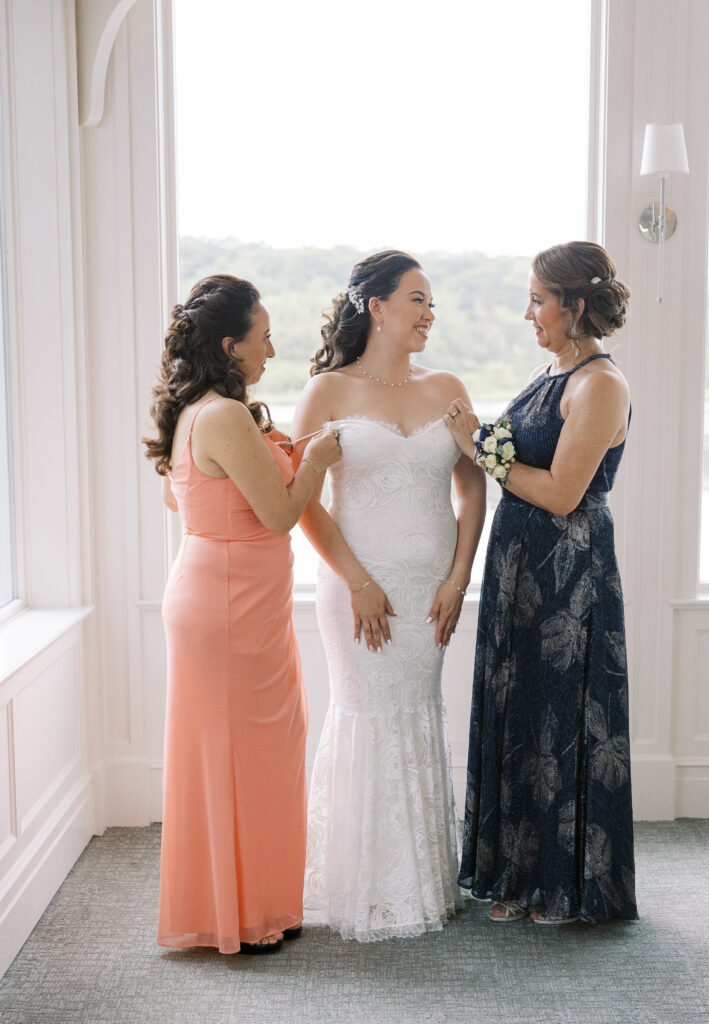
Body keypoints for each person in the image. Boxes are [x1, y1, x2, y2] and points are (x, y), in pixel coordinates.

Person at [291, 250, 486, 941]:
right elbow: (303, 503)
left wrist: (459, 578)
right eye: (416, 300)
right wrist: (359, 581)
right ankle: (359, 886)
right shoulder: (327, 392)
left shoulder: (447, 388)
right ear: (374, 306)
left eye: (431, 303)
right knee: (366, 713)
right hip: (357, 587)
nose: (428, 314)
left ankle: (419, 881)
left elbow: (471, 487)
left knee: (414, 711)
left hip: (431, 588)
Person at [144, 274, 340, 955]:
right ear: (230, 346)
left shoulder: (199, 410)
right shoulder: (224, 417)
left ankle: (251, 903)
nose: (272, 352)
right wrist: (312, 459)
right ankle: (247, 913)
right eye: (263, 339)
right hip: (229, 608)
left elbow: (184, 502)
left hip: (223, 596)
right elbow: (282, 513)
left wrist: (272, 451)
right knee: (251, 755)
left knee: (245, 754)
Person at [446, 241, 639, 925]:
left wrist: (481, 451)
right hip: (519, 569)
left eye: (537, 299)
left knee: (560, 713)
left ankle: (561, 885)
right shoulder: (551, 369)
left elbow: (561, 494)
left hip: (567, 574)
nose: (527, 312)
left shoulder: (599, 385)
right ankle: (518, 874)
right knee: (521, 708)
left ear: (574, 305)